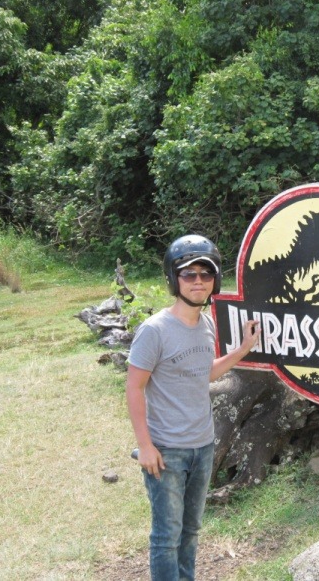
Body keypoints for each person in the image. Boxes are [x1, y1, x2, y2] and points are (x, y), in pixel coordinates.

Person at [126, 234, 260, 581]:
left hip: (203, 445)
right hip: (167, 450)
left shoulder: (207, 324)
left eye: (206, 273)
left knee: (191, 530)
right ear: (174, 279)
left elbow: (205, 373)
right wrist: (145, 446)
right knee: (166, 536)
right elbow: (134, 388)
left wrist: (242, 350)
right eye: (189, 274)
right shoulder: (154, 331)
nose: (198, 281)